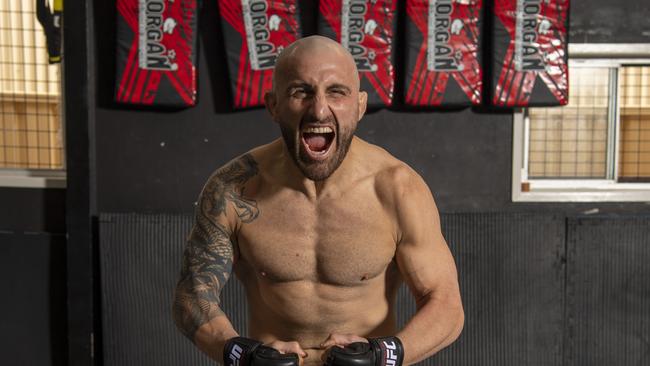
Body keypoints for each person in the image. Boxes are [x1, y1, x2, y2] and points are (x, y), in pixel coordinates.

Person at [172, 35, 464, 366]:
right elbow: (193, 296)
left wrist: (385, 355)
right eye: (301, 92)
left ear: (360, 105)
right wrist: (241, 354)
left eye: (337, 92)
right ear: (273, 105)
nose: (319, 110)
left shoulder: (397, 189)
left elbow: (446, 304)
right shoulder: (233, 189)